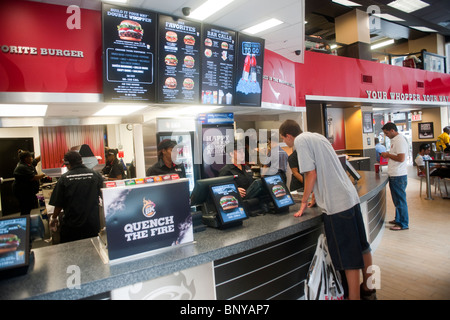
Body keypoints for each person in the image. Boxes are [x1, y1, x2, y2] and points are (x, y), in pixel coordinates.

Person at [279, 119, 375, 300]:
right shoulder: (318, 136)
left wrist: (303, 202)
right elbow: (325, 171)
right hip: (350, 198)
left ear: (289, 136)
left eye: (284, 139)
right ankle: (369, 287)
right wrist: (316, 195)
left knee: (348, 257)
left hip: (337, 206)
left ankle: (353, 297)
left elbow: (311, 174)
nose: (286, 143)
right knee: (363, 246)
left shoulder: (300, 142)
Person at [49, 151, 103, 243]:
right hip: (92, 224)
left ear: (67, 163)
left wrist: (54, 218)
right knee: (93, 249)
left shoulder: (64, 178)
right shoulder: (96, 175)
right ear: (81, 161)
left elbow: (59, 203)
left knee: (72, 252)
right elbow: (103, 195)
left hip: (72, 225)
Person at [380, 122, 409, 231]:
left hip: (398, 175)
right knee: (397, 200)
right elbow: (396, 155)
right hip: (395, 175)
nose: (386, 135)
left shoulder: (399, 140)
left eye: (387, 133)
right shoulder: (395, 140)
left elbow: (401, 158)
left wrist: (387, 155)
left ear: (392, 130)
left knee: (400, 201)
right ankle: (398, 219)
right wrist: (389, 154)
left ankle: (403, 224)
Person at [12, 150, 45, 216]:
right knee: (25, 208)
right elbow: (34, 177)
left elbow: (36, 160)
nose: (32, 158)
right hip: (22, 192)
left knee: (28, 207)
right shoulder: (22, 167)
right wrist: (46, 173)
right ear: (26, 159)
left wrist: (44, 154)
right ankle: (25, 222)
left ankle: (27, 219)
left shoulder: (27, 163)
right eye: (30, 157)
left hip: (27, 191)